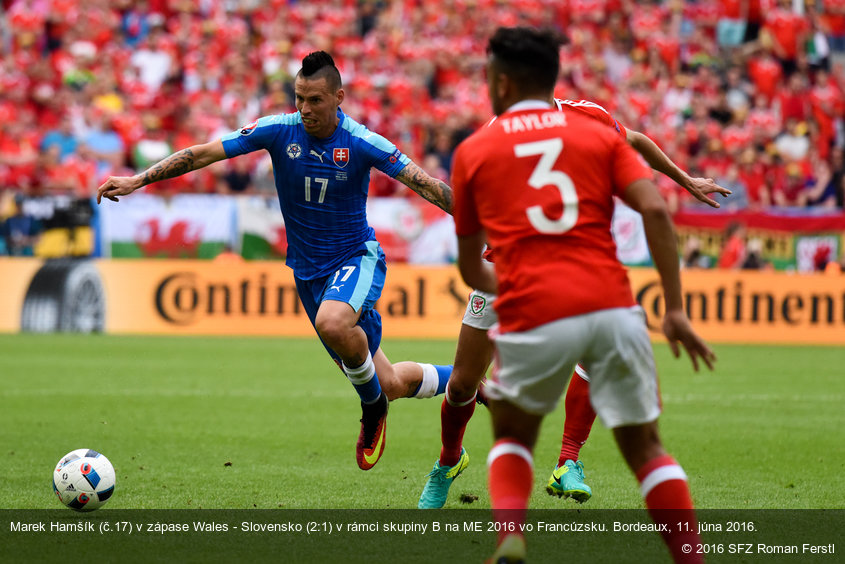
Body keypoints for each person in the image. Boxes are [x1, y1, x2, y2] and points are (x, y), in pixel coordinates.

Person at [97, 51, 455, 472]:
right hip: (308, 274)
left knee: (334, 324)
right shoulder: (277, 130)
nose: (305, 109)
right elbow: (202, 154)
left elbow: (428, 186)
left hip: (357, 258)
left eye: (316, 100)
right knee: (391, 381)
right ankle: (466, 380)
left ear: (339, 97)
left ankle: (372, 409)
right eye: (299, 97)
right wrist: (139, 179)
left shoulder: (362, 142)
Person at [451, 27, 715, 563]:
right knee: (647, 450)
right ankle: (691, 557)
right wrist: (676, 309)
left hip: (536, 307)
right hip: (613, 305)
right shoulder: (595, 129)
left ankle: (510, 538)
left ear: (500, 84)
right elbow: (657, 212)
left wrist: (523, 288)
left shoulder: (476, 150)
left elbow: (471, 268)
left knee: (513, 435)